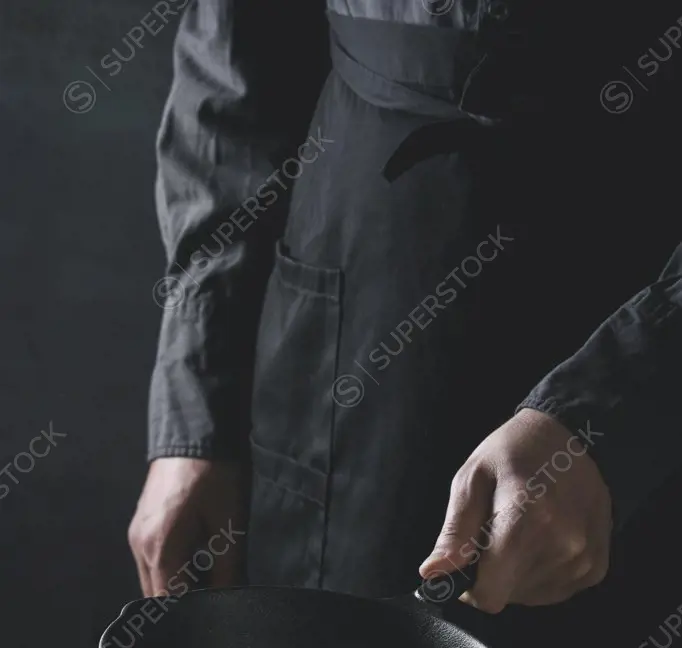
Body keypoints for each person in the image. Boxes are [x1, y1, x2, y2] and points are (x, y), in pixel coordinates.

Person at [128, 0, 681, 614]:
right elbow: (237, 53)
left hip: (643, 276)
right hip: (356, 295)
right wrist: (199, 419)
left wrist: (622, 403)